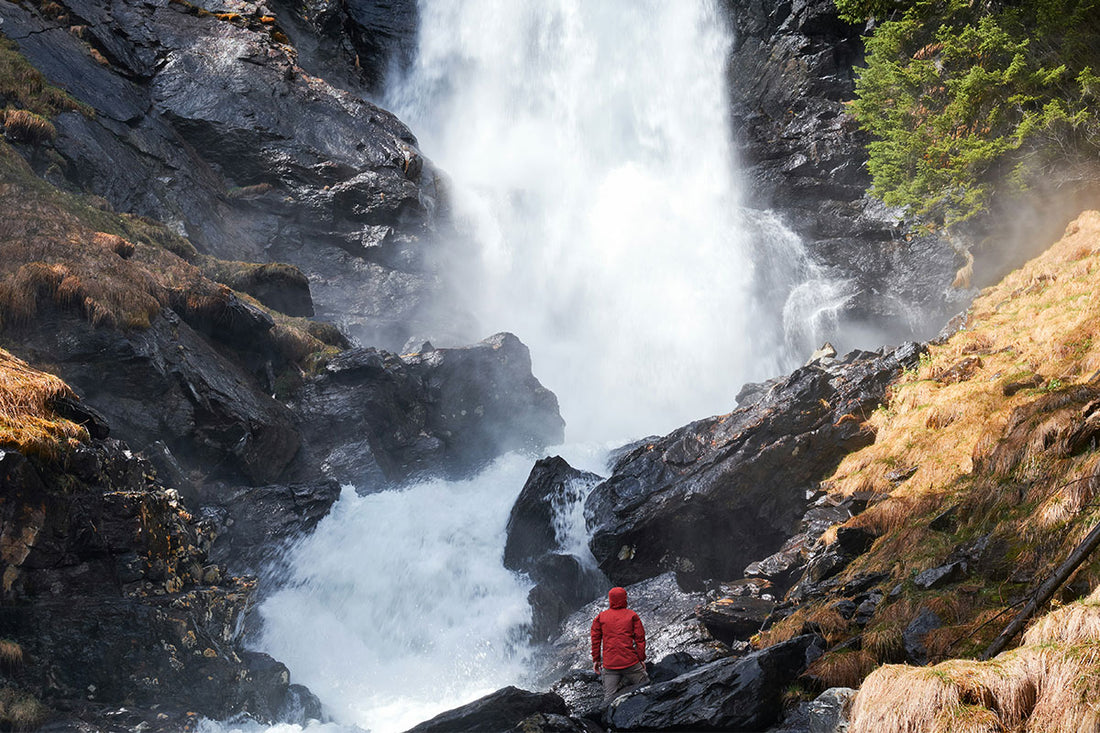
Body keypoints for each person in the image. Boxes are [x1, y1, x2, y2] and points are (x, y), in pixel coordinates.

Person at [590, 586, 649, 704]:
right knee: (646, 687)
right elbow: (640, 639)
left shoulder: (601, 617)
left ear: (610, 600)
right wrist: (641, 659)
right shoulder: (632, 615)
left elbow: (595, 640)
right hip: (631, 663)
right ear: (624, 599)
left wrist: (596, 660)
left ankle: (606, 718)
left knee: (608, 697)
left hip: (610, 665)